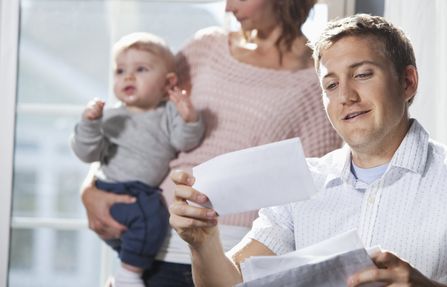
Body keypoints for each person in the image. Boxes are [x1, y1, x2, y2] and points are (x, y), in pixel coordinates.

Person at [169, 14, 447, 287]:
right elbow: (233, 284)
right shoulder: (297, 183)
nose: (345, 96)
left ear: (407, 82)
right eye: (331, 85)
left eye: (362, 74)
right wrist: (203, 243)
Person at [80, 1, 342, 286]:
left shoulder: (316, 78)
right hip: (154, 247)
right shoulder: (205, 49)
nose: (228, 8)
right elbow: (138, 118)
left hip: (237, 260)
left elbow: (317, 185)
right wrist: (91, 186)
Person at [71, 32, 204, 287]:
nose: (128, 77)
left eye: (140, 69)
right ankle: (129, 276)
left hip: (142, 192)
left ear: (168, 82)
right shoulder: (111, 117)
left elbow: (184, 142)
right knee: (151, 218)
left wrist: (190, 119)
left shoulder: (169, 114)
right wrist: (88, 124)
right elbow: (87, 153)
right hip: (112, 188)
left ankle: (128, 268)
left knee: (151, 223)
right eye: (120, 71)